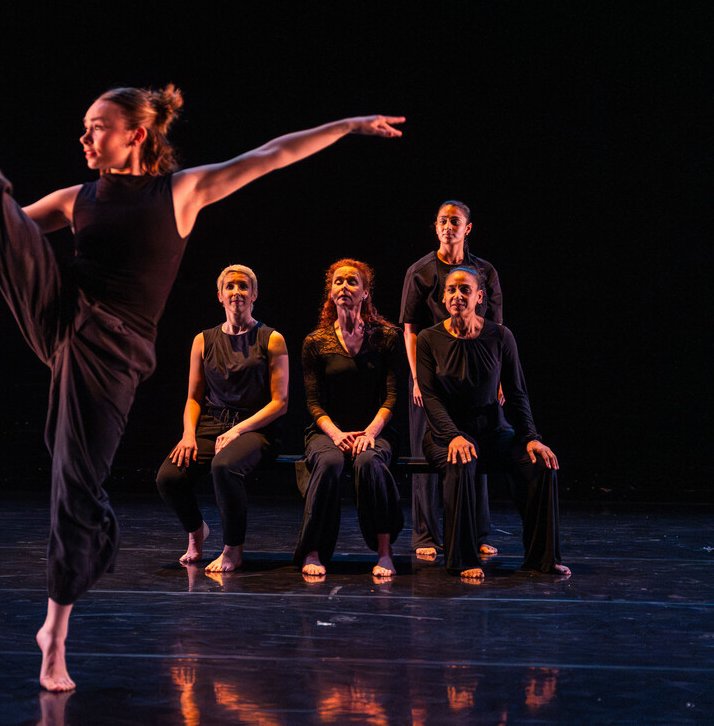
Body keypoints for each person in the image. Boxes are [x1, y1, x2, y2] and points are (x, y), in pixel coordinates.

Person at [0, 14, 405, 691]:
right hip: (59, 312)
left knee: (74, 481)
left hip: (111, 352)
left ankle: (54, 630)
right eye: (85, 128)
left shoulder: (182, 190)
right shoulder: (76, 198)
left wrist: (348, 124)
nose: (84, 137)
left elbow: (273, 154)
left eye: (96, 127)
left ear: (136, 135)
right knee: (9, 227)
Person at [415, 267, 568, 580]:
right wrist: (454, 436)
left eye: (466, 290)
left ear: (479, 297)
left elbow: (516, 393)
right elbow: (430, 398)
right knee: (461, 461)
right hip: (445, 436)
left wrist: (530, 437)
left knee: (540, 463)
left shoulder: (500, 335)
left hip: (494, 433)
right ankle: (462, 559)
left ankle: (542, 559)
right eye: (452, 290)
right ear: (444, 297)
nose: (458, 295)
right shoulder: (429, 339)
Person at [156, 265, 288, 573]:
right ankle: (197, 531)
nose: (237, 292)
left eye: (244, 286)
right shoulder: (203, 340)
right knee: (169, 477)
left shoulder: (272, 339)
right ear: (220, 295)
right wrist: (189, 434)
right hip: (211, 425)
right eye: (230, 287)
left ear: (254, 294)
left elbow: (280, 403)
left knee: (224, 465)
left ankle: (232, 550)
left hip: (256, 428)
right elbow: (193, 398)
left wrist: (239, 430)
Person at [399, 201, 502, 559]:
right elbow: (410, 328)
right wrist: (415, 377)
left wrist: (498, 379)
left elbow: (496, 331)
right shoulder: (421, 271)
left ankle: (477, 531)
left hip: (474, 377)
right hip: (431, 374)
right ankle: (426, 535)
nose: (447, 226)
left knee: (477, 451)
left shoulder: (484, 272)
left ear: (468, 228)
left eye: (454, 221)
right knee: (425, 457)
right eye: (442, 220)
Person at [293, 259, 405, 579]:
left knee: (369, 462)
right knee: (329, 463)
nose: (344, 287)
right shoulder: (316, 342)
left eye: (352, 282)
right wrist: (336, 434)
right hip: (327, 431)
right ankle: (312, 551)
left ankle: (385, 552)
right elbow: (313, 403)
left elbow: (392, 397)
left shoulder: (386, 338)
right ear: (330, 293)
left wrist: (369, 433)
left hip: (376, 430)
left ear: (365, 293)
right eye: (338, 282)